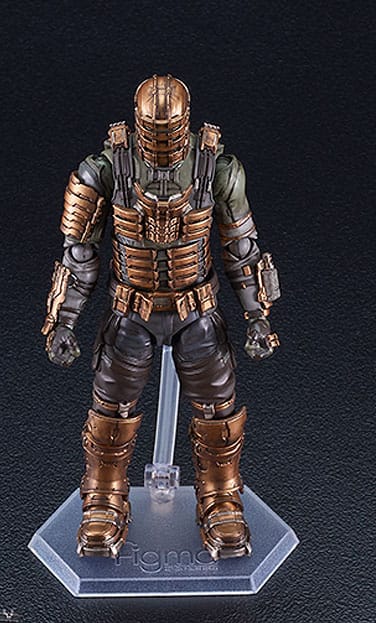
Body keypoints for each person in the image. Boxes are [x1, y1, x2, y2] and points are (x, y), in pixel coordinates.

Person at [42, 75, 280, 561]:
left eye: (170, 129)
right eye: (154, 128)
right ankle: (104, 495)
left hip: (198, 309)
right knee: (113, 405)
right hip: (131, 309)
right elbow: (79, 254)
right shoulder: (104, 170)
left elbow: (241, 249)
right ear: (137, 123)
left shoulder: (218, 168)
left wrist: (258, 315)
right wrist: (63, 321)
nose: (163, 140)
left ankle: (220, 495)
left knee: (217, 407)